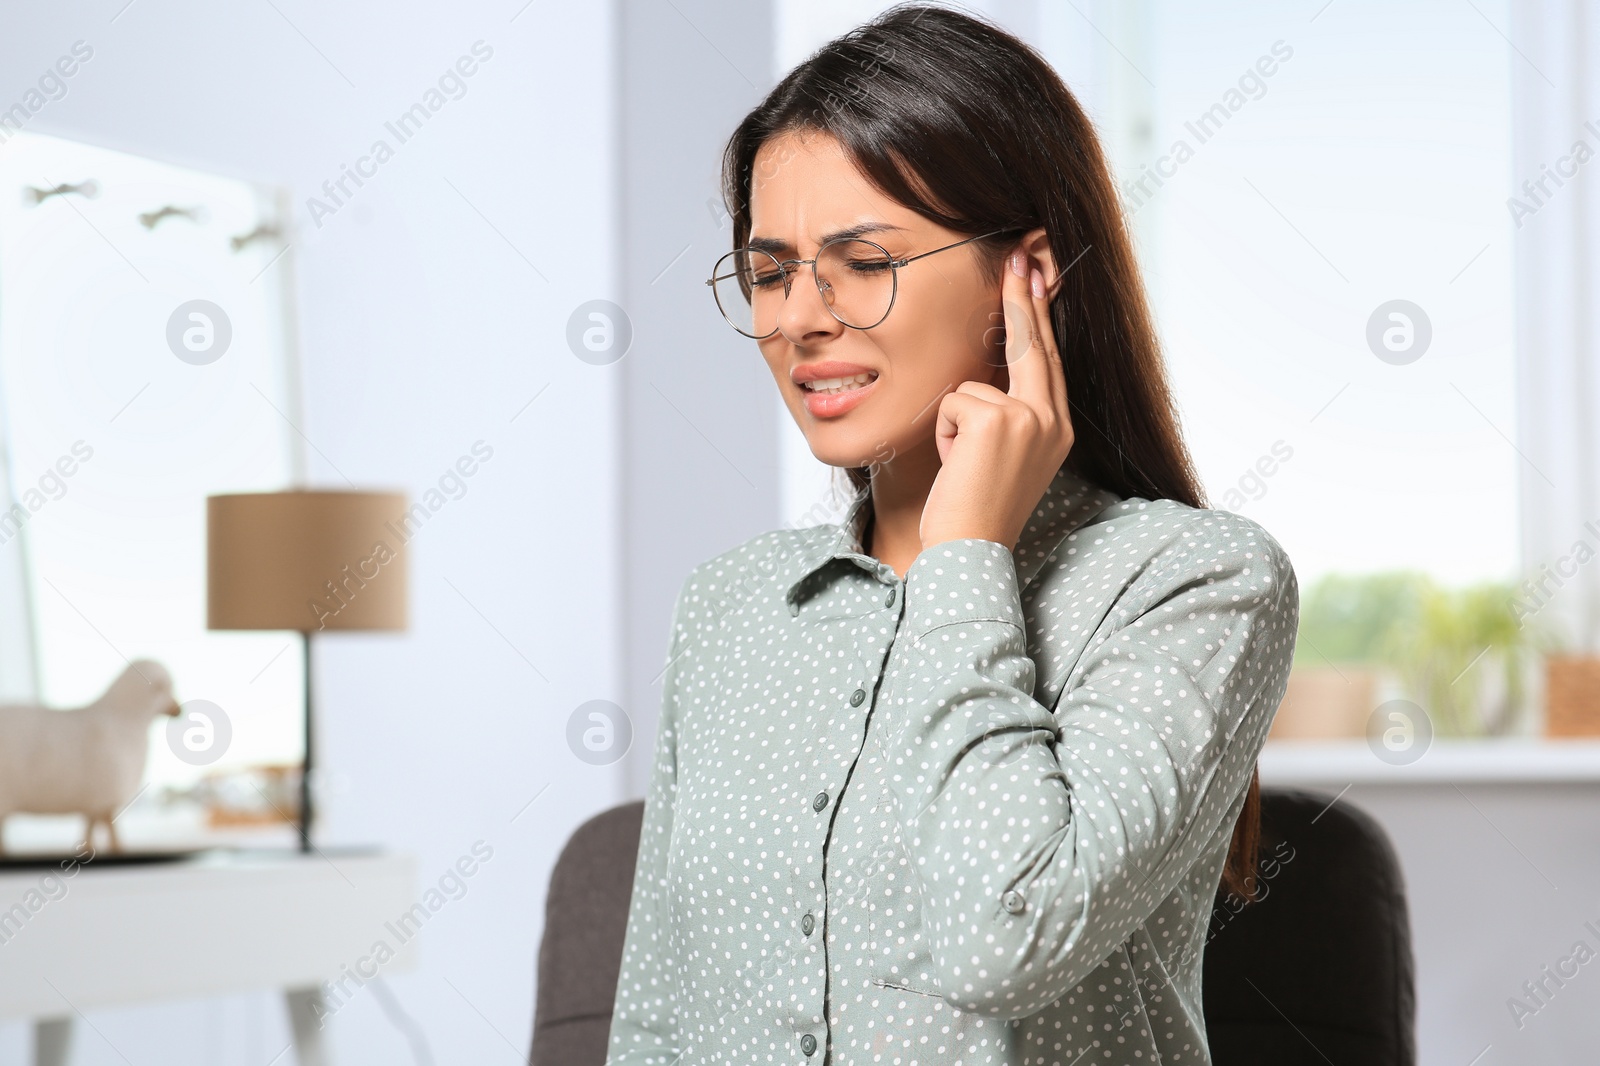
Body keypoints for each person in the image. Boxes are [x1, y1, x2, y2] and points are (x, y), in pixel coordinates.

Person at [606, 6, 1298, 1064]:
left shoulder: (1196, 581)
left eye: (862, 260)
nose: (798, 316)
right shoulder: (729, 603)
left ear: (1026, 275)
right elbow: (658, 1008)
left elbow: (1005, 937)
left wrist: (965, 550)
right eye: (769, 270)